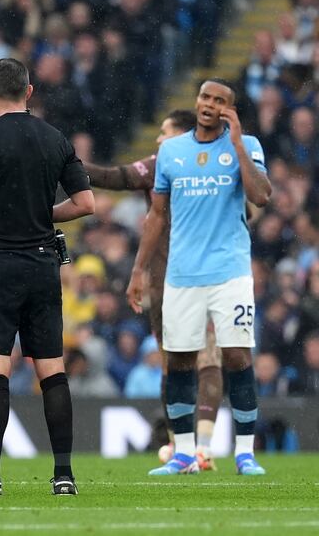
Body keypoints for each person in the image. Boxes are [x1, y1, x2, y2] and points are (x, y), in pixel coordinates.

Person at [0, 58, 94, 497]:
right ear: (29, 92)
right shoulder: (54, 138)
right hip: (42, 263)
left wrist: (3, 208)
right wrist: (40, 214)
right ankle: (64, 475)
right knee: (52, 369)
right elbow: (85, 202)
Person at [126, 78, 271, 476]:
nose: (210, 104)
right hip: (181, 276)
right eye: (205, 97)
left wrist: (238, 143)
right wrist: (138, 270)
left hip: (231, 272)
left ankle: (245, 454)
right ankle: (184, 454)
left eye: (219, 100)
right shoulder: (172, 151)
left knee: (238, 356)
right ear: (197, 102)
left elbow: (260, 195)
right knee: (179, 362)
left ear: (229, 109)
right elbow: (156, 215)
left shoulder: (249, 146)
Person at [84, 109, 224, 471]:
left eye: (165, 132)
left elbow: (119, 177)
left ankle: (196, 447)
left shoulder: (189, 162)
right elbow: (121, 178)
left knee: (197, 362)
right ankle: (185, 446)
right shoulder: (178, 164)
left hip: (196, 277)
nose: (159, 139)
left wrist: (70, 166)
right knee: (178, 364)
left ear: (182, 136)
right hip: (167, 283)